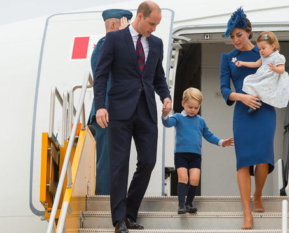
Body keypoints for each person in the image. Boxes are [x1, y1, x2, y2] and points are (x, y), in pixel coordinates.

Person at [93, 1, 172, 233]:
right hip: (119, 110)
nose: (154, 29)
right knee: (119, 165)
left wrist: (165, 98)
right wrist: (101, 106)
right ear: (139, 17)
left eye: (157, 25)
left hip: (146, 110)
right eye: (151, 23)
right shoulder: (114, 39)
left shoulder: (156, 43)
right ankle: (119, 220)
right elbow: (101, 74)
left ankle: (129, 213)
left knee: (148, 161)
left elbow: (158, 77)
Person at [220, 7, 276, 229]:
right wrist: (241, 97)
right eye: (232, 36)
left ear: (249, 33)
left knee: (263, 157)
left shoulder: (263, 53)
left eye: (239, 35)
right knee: (243, 161)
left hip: (265, 111)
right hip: (242, 113)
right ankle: (247, 213)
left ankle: (258, 194)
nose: (235, 40)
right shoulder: (228, 58)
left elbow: (277, 79)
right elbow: (224, 89)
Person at [161, 88, 234, 214]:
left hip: (195, 156)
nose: (193, 110)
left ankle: (189, 203)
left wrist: (222, 142)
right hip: (181, 155)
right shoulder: (178, 117)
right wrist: (165, 114)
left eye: (196, 108)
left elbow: (209, 135)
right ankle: (181, 205)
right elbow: (167, 123)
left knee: (194, 179)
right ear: (183, 103)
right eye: (190, 107)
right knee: (183, 177)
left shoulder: (200, 121)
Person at [88, 9, 132, 196]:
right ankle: (105, 204)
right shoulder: (105, 45)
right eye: (126, 25)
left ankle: (115, 202)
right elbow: (103, 78)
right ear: (113, 25)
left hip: (116, 113)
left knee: (116, 162)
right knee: (107, 162)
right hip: (106, 113)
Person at [235, 31, 289, 113]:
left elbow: (281, 70)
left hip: (271, 77)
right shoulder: (263, 57)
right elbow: (256, 64)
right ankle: (256, 100)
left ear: (272, 46)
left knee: (263, 86)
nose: (261, 51)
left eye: (263, 48)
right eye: (259, 49)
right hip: (262, 76)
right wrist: (243, 63)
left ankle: (259, 100)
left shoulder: (278, 57)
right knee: (248, 80)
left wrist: (274, 68)